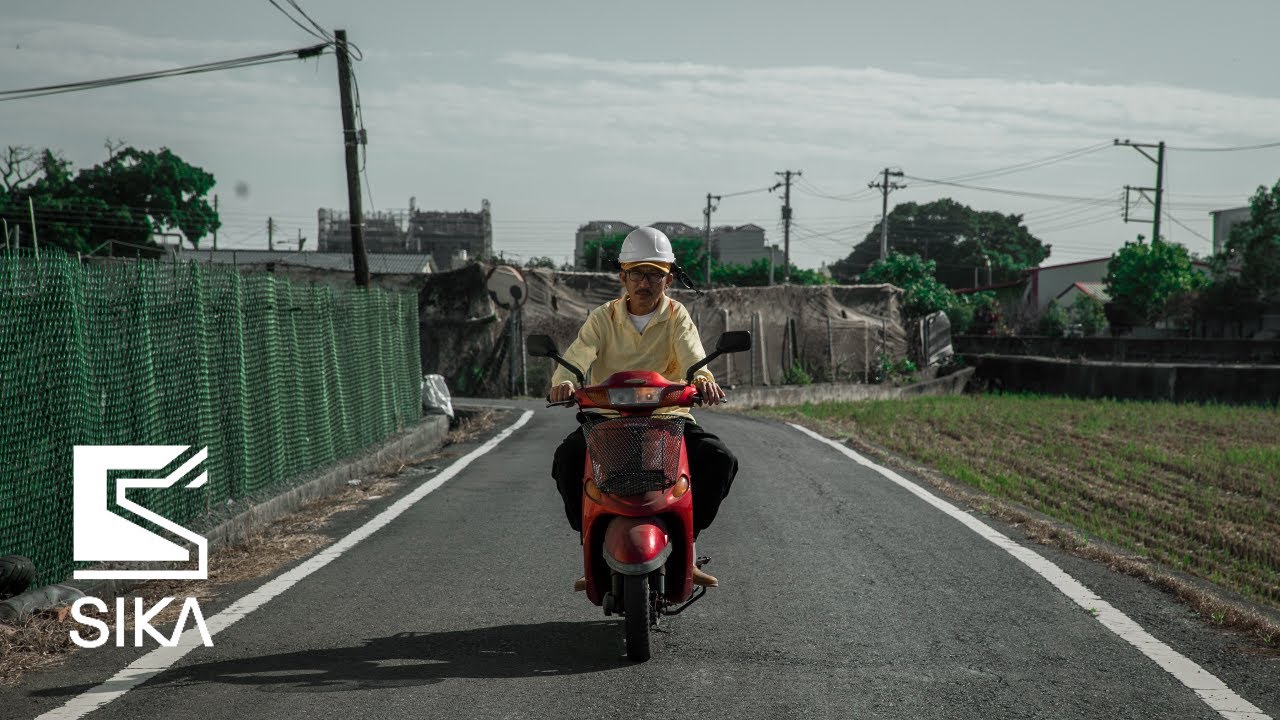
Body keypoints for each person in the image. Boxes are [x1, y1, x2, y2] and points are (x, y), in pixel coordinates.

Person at [549, 226, 738, 590]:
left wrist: (703, 382)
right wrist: (564, 382)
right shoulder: (603, 317)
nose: (645, 282)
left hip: (668, 419)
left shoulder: (678, 316)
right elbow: (578, 354)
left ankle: (688, 545)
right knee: (567, 459)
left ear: (668, 280)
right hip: (606, 420)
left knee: (719, 458)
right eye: (637, 272)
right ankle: (590, 545)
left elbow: (693, 358)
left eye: (655, 274)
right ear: (623, 277)